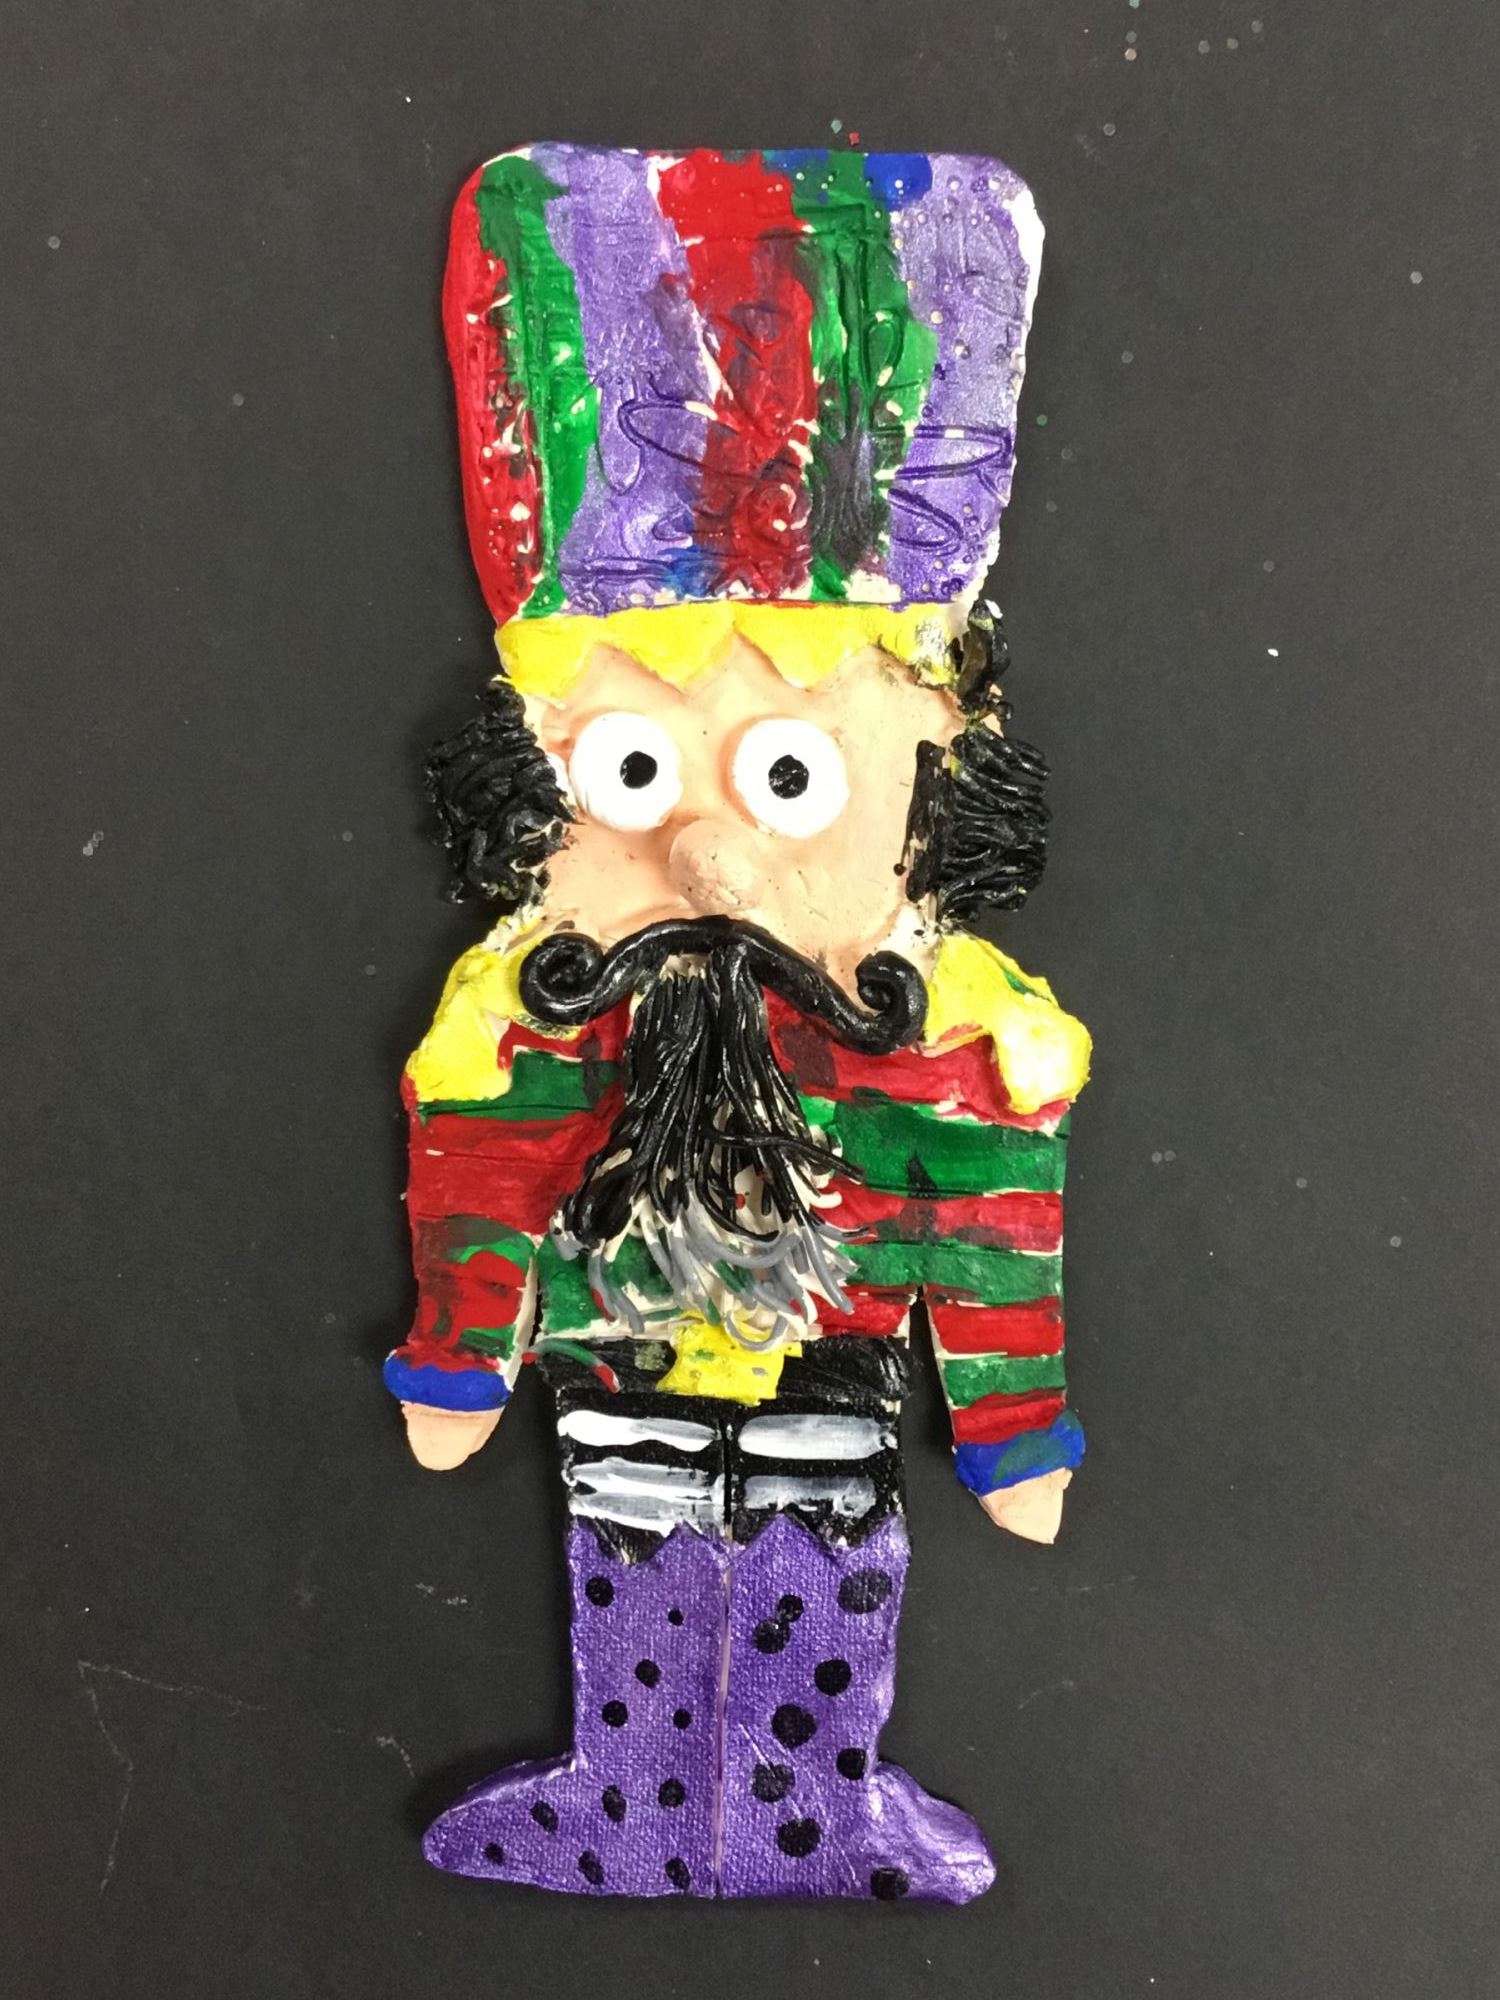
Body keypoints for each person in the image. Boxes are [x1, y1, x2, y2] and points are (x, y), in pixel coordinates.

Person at [387, 143, 1090, 1903]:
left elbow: (986, 1227)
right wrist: (463, 1354)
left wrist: (1011, 1423)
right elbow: (487, 1179)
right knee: (632, 1529)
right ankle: (631, 1798)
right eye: (629, 775)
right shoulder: (534, 1025)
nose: (703, 853)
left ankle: (804, 1806)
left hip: (835, 1356)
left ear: (938, 785)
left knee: (815, 1535)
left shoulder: (945, 1042)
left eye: (788, 779)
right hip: (620, 1352)